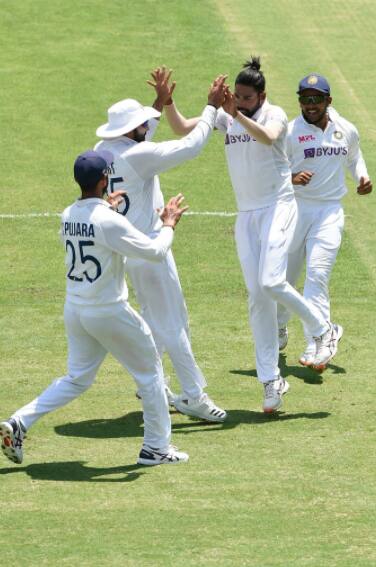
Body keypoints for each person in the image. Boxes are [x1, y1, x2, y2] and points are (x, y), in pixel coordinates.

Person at [160, 57, 343, 412]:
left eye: (246, 97)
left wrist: (237, 115)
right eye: (237, 97)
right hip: (247, 215)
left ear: (261, 95)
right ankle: (270, 380)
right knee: (258, 296)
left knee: (272, 281)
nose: (240, 102)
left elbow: (269, 137)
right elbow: (183, 128)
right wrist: (170, 102)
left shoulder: (272, 114)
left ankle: (323, 329)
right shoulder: (228, 117)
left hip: (278, 206)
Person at [0, 149, 190, 466]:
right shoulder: (108, 220)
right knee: (150, 374)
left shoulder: (68, 213)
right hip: (109, 311)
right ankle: (156, 448)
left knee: (76, 378)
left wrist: (107, 210)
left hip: (76, 310)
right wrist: (168, 224)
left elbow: (94, 229)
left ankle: (20, 422)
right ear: (105, 179)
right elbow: (155, 252)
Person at [94, 69, 227, 422]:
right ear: (130, 130)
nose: (147, 125)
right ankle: (194, 396)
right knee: (172, 323)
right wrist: (211, 107)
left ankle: (149, 382)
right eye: (142, 123)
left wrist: (160, 103)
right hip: (150, 247)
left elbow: (140, 140)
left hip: (126, 249)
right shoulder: (140, 156)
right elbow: (191, 145)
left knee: (159, 320)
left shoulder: (102, 151)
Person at [277, 74, 372, 367]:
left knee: (317, 276)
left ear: (328, 101)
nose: (310, 104)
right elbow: (272, 169)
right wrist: (291, 178)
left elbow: (354, 156)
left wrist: (362, 177)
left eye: (316, 99)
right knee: (284, 279)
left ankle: (318, 340)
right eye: (305, 99)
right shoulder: (290, 132)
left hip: (329, 213)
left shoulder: (346, 130)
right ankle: (278, 327)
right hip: (295, 210)